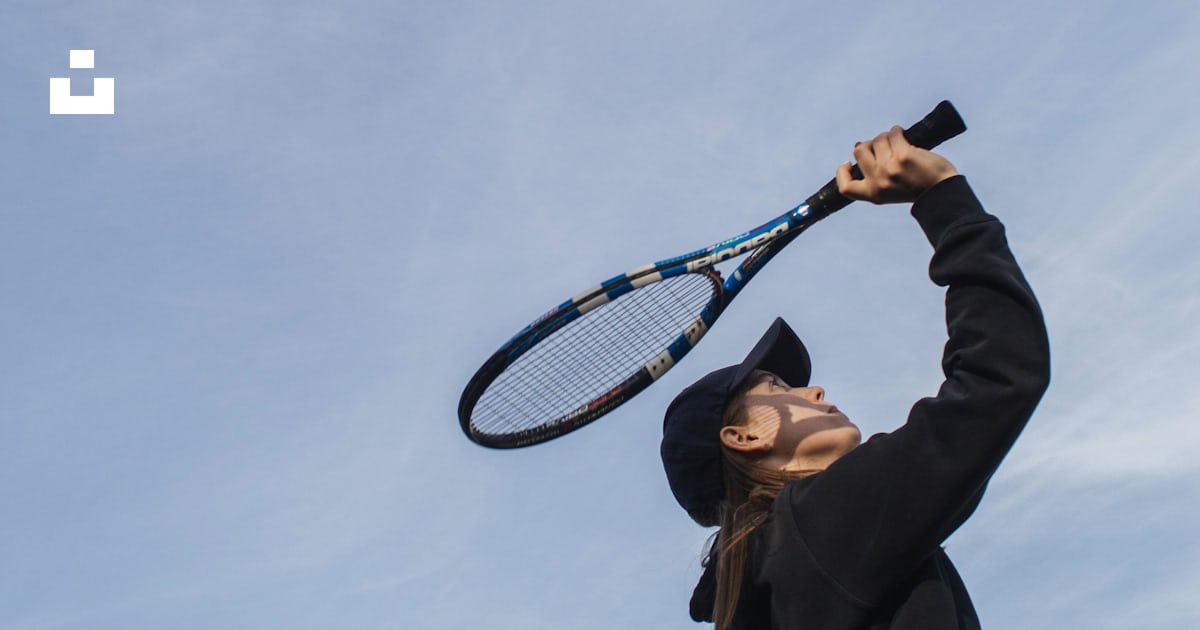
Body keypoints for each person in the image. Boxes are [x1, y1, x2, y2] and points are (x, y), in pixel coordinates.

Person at [660, 126, 1051, 629]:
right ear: (742, 437)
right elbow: (997, 377)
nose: (815, 390)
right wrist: (941, 197)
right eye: (778, 389)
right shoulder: (819, 523)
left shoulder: (764, 584)